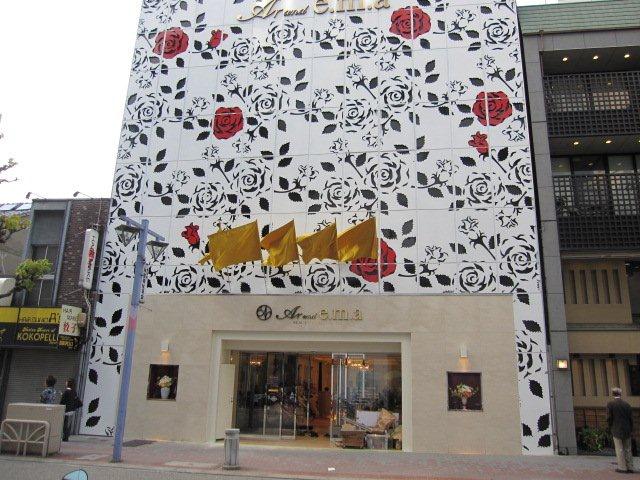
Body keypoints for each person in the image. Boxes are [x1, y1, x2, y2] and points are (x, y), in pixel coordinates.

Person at [607, 387, 635, 474]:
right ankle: (630, 467)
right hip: (627, 429)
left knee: (619, 449)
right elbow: (631, 419)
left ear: (613, 394)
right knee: (628, 449)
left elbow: (609, 418)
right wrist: (631, 428)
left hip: (616, 429)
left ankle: (622, 467)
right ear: (620, 394)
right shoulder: (627, 405)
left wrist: (610, 427)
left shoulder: (611, 404)